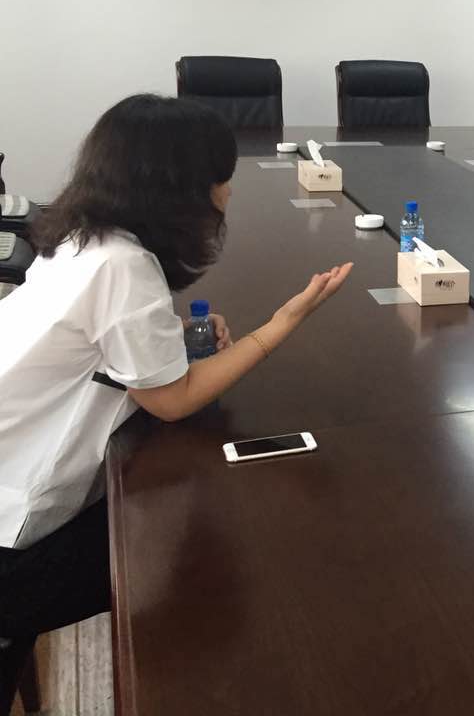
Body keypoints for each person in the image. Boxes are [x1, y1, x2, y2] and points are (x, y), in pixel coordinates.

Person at [0, 95, 353, 659]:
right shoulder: (122, 267)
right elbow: (173, 400)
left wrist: (168, 335)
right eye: (220, 178)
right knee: (211, 537)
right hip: (12, 554)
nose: (228, 192)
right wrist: (283, 323)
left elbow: (102, 340)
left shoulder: (79, 237)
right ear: (180, 187)